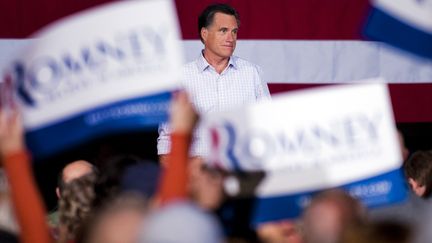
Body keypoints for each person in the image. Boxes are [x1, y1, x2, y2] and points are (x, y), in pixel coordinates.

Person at [157, 3, 271, 162]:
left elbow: (268, 127)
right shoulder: (181, 78)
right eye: (223, 31)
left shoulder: (252, 73)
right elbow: (167, 141)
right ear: (204, 33)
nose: (231, 38)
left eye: (234, 32)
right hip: (196, 174)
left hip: (244, 171)